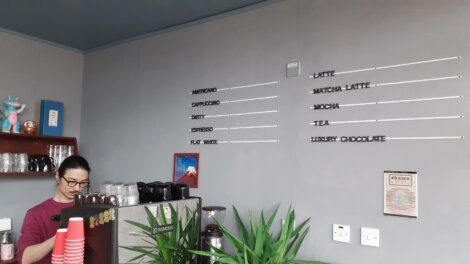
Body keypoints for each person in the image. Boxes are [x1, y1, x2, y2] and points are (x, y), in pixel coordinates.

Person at [17, 155, 91, 264]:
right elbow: (25, 258)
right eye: (71, 181)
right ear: (57, 176)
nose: (77, 188)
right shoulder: (35, 214)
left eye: (83, 183)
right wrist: (60, 236)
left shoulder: (87, 208)